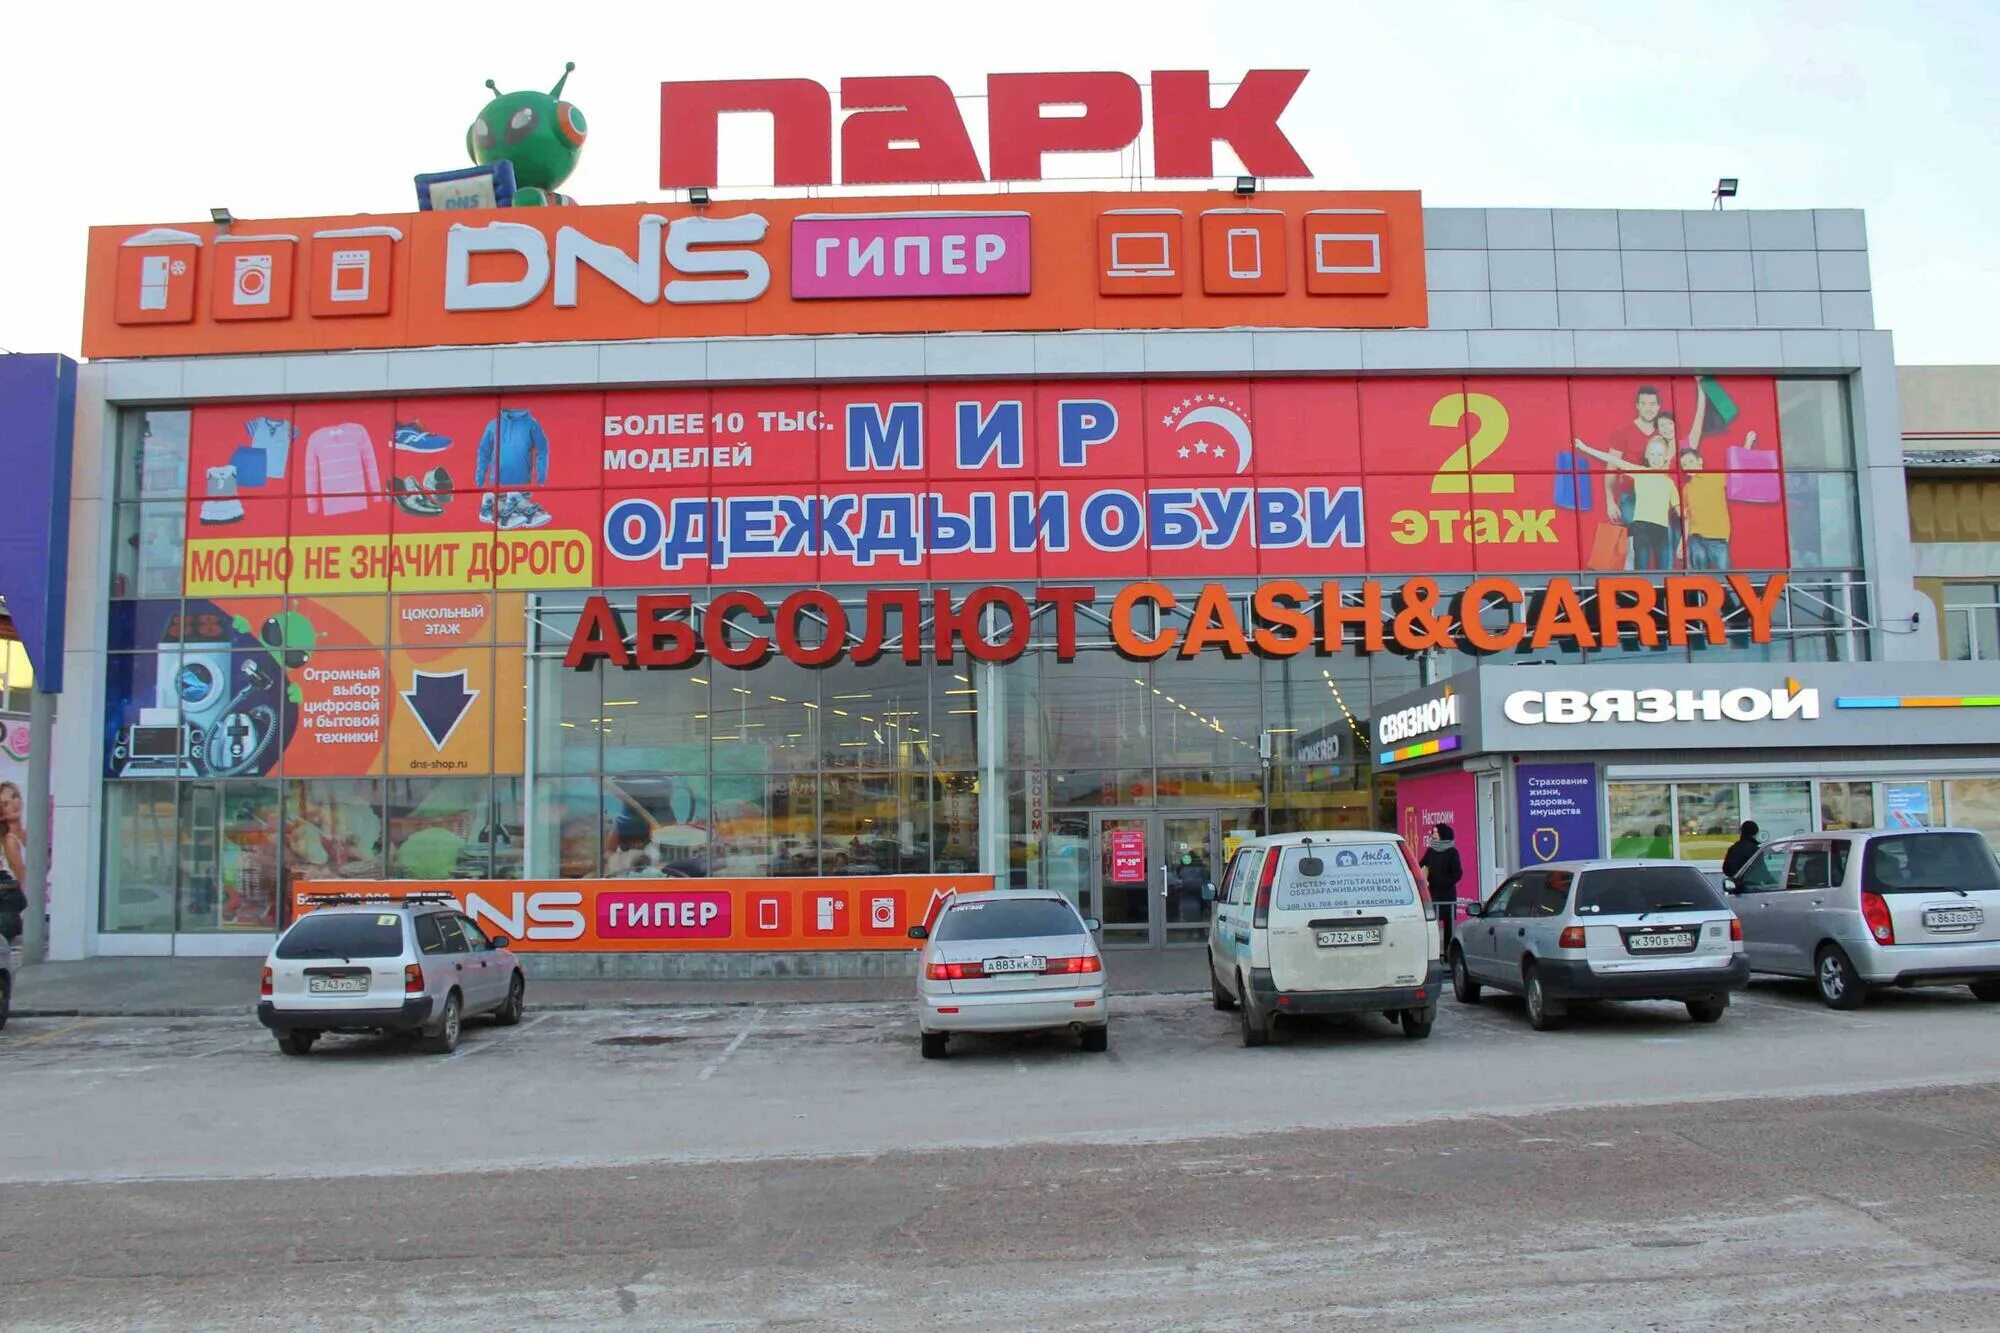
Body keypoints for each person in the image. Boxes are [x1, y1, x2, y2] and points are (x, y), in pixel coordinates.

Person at [1572, 430, 1681, 571]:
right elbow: (1613, 460)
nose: (1656, 458)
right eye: (1653, 454)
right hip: (1642, 528)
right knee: (1641, 567)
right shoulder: (1640, 472)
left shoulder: (1669, 483)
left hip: (1662, 530)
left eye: (1660, 455)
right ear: (1647, 455)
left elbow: (1679, 511)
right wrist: (1585, 448)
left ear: (1666, 457)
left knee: (1664, 569)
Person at [1418, 823, 1464, 948]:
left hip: (1447, 894)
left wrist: (1444, 882)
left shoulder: (1452, 852)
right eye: (1433, 832)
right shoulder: (1431, 851)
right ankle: (1434, 949)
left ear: (1443, 834)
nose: (1433, 835)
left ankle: (1448, 951)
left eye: (1436, 832)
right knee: (1432, 922)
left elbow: (1457, 874)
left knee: (1448, 923)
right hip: (1433, 893)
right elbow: (1421, 864)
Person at [0, 781, 28, 968]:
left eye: (14, 797)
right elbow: (25, 880)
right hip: (21, 905)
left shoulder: (28, 834)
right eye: (5, 803)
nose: (14, 804)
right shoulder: (10, 841)